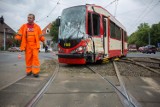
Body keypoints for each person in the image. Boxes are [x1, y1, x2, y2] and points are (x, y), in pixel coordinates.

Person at [15, 13, 45, 77]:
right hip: (27, 45)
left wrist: (43, 39)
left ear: (34, 19)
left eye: (30, 18)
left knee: (35, 58)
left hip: (35, 45)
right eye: (28, 17)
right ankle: (29, 71)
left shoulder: (37, 27)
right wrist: (17, 37)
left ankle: (35, 72)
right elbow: (20, 33)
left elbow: (40, 35)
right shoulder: (24, 26)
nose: (28, 19)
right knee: (28, 59)